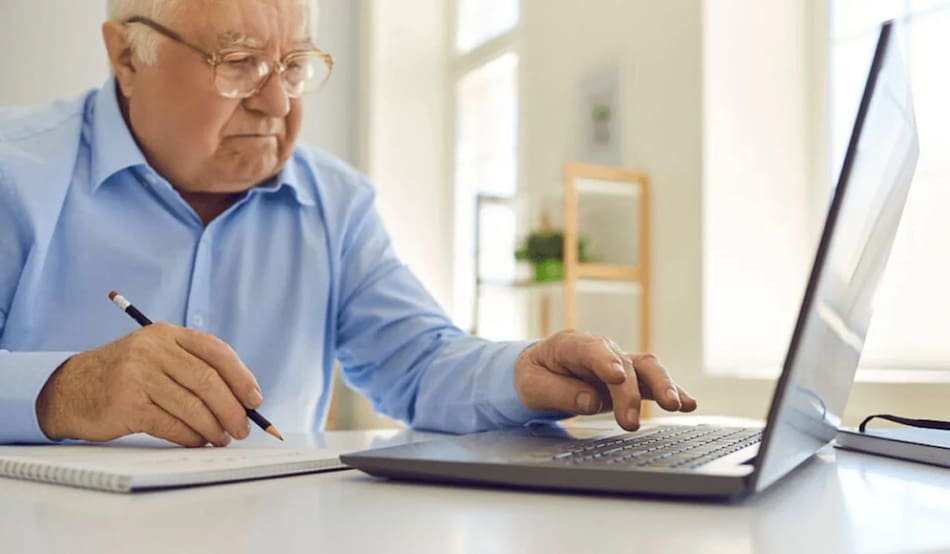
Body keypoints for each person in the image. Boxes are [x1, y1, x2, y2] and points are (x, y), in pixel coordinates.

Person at [0, 0, 696, 447]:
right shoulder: (14, 172)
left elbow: (421, 366)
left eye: (294, 65)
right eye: (239, 64)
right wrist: (66, 390)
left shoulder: (336, 202)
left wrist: (523, 371)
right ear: (127, 56)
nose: (276, 103)